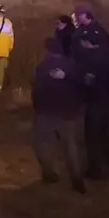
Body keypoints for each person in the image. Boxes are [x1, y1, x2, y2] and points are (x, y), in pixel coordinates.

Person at [71, 4, 109, 180]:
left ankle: (96, 171)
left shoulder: (92, 61)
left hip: (96, 101)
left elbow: (86, 80)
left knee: (92, 136)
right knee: (104, 134)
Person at [32, 37, 87, 193]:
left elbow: (37, 91)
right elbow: (81, 87)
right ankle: (77, 180)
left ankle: (49, 173)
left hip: (47, 112)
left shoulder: (42, 67)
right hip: (68, 113)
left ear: (48, 50)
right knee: (70, 146)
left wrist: (37, 108)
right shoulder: (72, 65)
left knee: (40, 143)